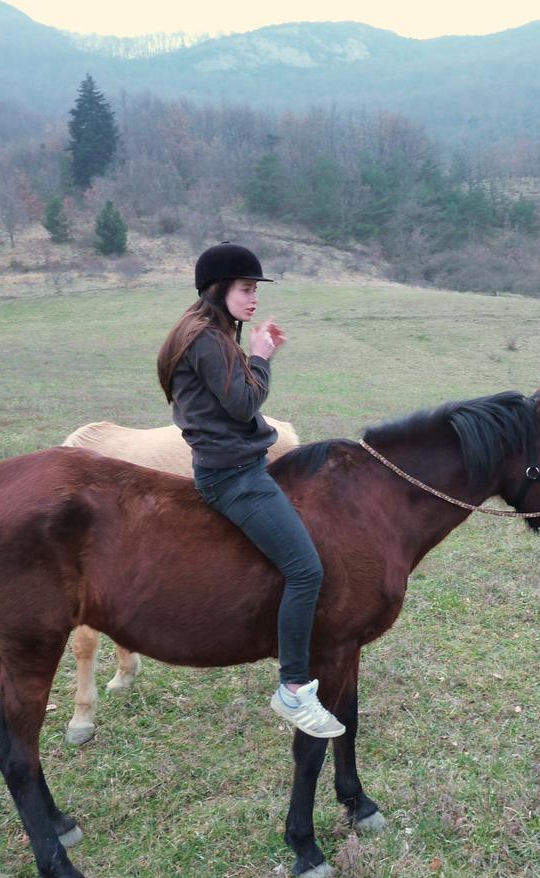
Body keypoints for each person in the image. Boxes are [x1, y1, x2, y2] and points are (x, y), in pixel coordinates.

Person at [155, 242, 344, 738]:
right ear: (218, 289)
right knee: (306, 570)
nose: (253, 297)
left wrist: (254, 350)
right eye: (245, 288)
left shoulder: (206, 333)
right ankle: (294, 689)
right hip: (234, 477)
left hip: (237, 465)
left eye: (255, 288)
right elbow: (243, 403)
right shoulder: (207, 340)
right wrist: (261, 357)